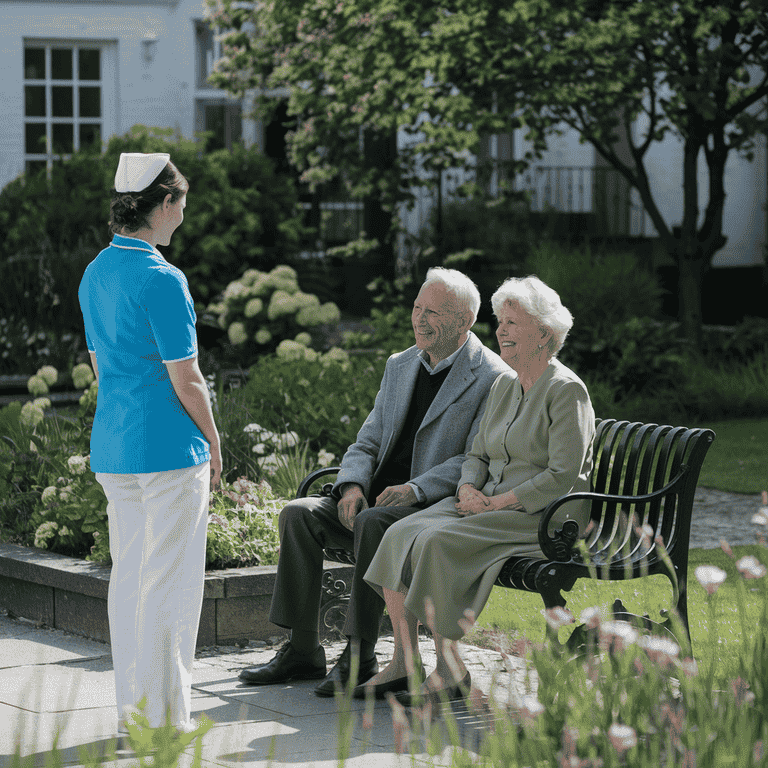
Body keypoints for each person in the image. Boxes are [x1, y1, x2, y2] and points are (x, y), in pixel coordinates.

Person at [238, 268, 508, 696]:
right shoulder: (399, 365)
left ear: (464, 321)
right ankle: (303, 649)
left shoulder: (493, 376)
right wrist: (351, 486)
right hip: (373, 498)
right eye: (417, 308)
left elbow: (476, 457)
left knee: (374, 523)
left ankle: (360, 653)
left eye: (432, 312)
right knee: (298, 514)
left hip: (427, 506)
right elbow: (368, 438)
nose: (419, 319)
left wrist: (416, 488)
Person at [359, 275, 595, 703]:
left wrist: (497, 501)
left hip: (544, 516)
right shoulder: (506, 384)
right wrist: (468, 488)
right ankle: (405, 661)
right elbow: (478, 455)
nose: (500, 331)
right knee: (397, 534)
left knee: (434, 539)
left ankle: (450, 667)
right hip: (489, 503)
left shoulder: (566, 391)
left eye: (512, 323)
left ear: (544, 334)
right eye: (500, 321)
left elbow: (563, 474)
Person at [78, 152, 222, 733]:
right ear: (163, 205)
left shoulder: (95, 272)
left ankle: (131, 715)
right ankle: (164, 722)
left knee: (130, 580)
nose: (183, 215)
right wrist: (213, 440)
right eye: (180, 204)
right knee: (172, 585)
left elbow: (98, 364)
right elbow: (186, 377)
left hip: (115, 448)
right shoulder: (164, 278)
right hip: (167, 451)